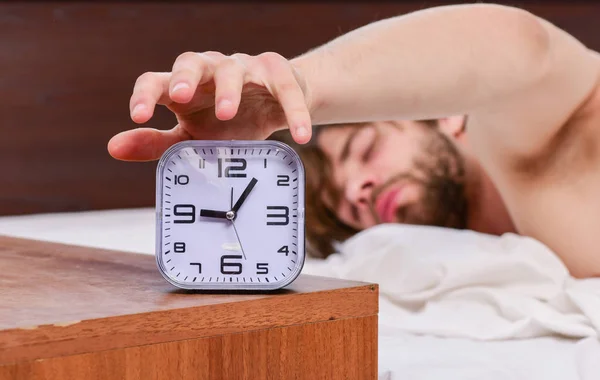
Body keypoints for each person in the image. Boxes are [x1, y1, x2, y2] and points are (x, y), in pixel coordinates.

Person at [108, 3, 600, 278]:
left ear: (448, 117)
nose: (360, 189)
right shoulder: (536, 246)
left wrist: (304, 87)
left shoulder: (536, 131)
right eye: (346, 207)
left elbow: (518, 47)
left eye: (366, 150)